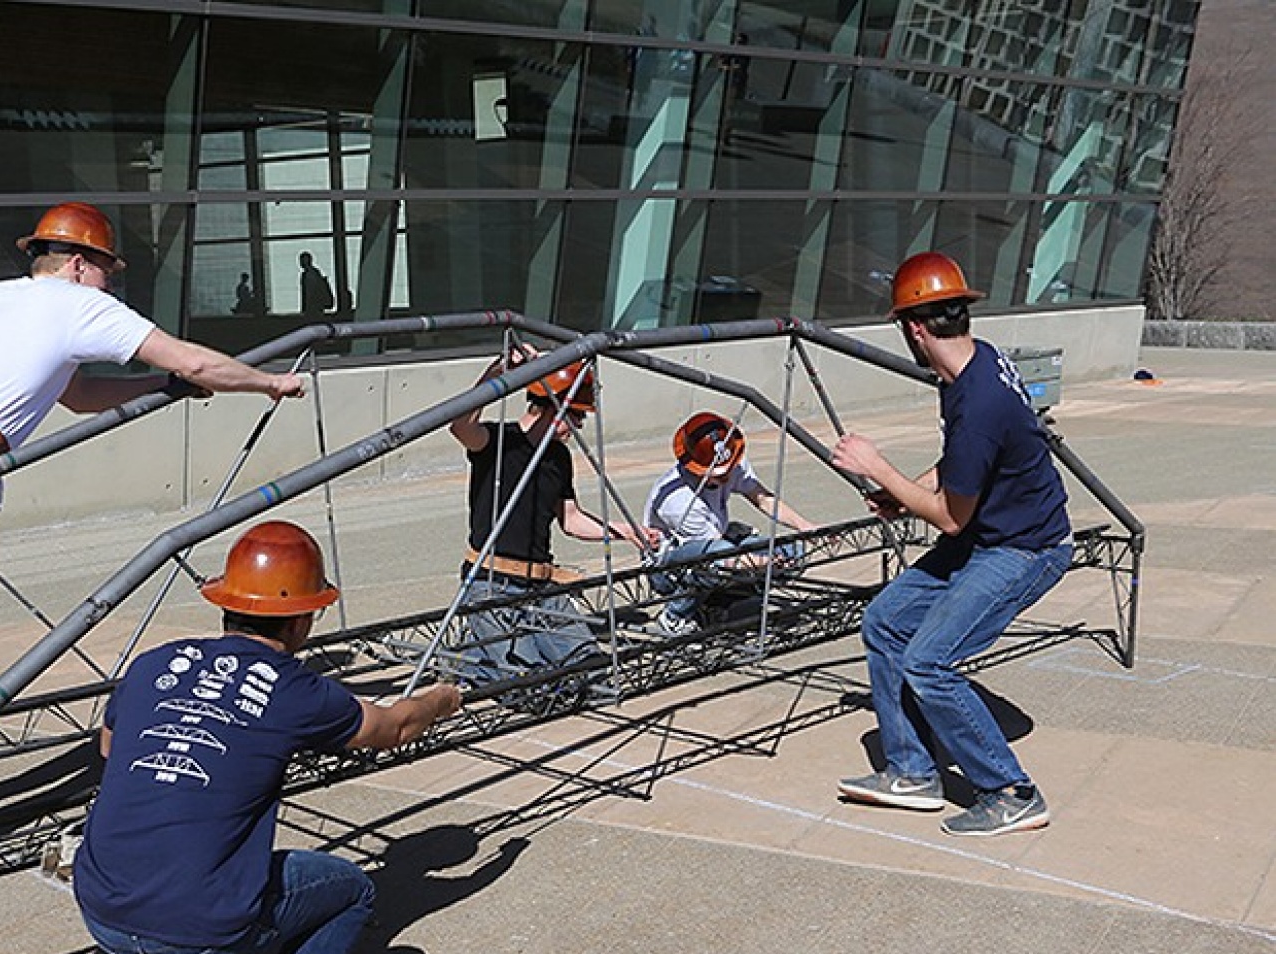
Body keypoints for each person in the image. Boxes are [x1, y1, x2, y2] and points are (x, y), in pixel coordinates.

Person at [0, 202, 307, 880]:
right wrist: (266, 382)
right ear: (80, 265)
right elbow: (192, 355)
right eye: (106, 271)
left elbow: (76, 396)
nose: (110, 286)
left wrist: (164, 387)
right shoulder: (80, 306)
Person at [75, 520, 462, 954]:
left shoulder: (155, 665)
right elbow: (394, 727)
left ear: (227, 604)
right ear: (303, 618)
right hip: (197, 923)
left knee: (210, 856)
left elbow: (109, 746)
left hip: (101, 910)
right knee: (349, 891)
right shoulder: (295, 690)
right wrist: (442, 698)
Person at [831, 251, 1072, 837]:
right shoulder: (973, 366)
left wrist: (881, 470)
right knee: (886, 621)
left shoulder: (980, 401)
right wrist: (908, 488)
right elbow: (958, 469)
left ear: (914, 328)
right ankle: (913, 772)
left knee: (930, 661)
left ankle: (1011, 792)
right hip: (993, 532)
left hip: (1024, 549)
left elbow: (950, 519)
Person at [451, 350, 659, 685]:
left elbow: (571, 519)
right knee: (530, 681)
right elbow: (460, 424)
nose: (577, 426)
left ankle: (481, 655)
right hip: (491, 585)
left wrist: (622, 531)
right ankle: (471, 662)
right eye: (575, 415)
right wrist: (499, 371)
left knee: (590, 668)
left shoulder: (558, 457)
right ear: (550, 405)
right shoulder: (496, 441)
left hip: (540, 588)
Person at [642, 411, 817, 636]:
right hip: (670, 566)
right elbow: (717, 556)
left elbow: (762, 498)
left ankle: (716, 604)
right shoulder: (677, 500)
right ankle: (674, 617)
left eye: (729, 470)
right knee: (719, 562)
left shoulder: (731, 462)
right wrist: (764, 562)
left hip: (718, 547)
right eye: (719, 475)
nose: (727, 477)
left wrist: (805, 527)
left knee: (793, 551)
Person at [298, 250, 333, 317]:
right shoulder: (316, 272)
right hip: (318, 305)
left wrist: (305, 308)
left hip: (313, 306)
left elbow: (308, 293)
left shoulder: (308, 275)